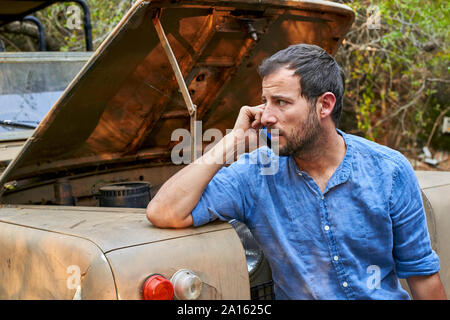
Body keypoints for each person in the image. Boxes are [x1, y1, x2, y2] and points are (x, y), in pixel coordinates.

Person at [146, 44, 447, 300]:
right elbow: (164, 211)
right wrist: (232, 142)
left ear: (324, 105)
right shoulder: (255, 174)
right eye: (265, 102)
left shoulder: (389, 170)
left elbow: (422, 277)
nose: (266, 115)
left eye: (281, 102)